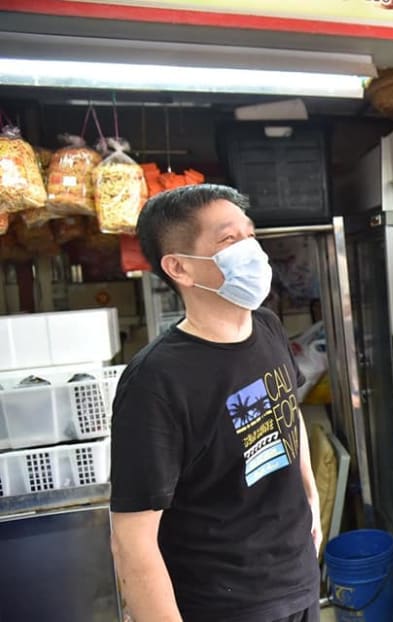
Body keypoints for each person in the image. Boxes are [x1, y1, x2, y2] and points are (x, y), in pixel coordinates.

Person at [110, 184, 322, 622]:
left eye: (250, 233)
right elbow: (132, 542)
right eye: (229, 240)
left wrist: (311, 496)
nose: (252, 250)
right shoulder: (155, 382)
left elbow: (286, 412)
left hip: (297, 580)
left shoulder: (267, 326)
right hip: (225, 605)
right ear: (180, 268)